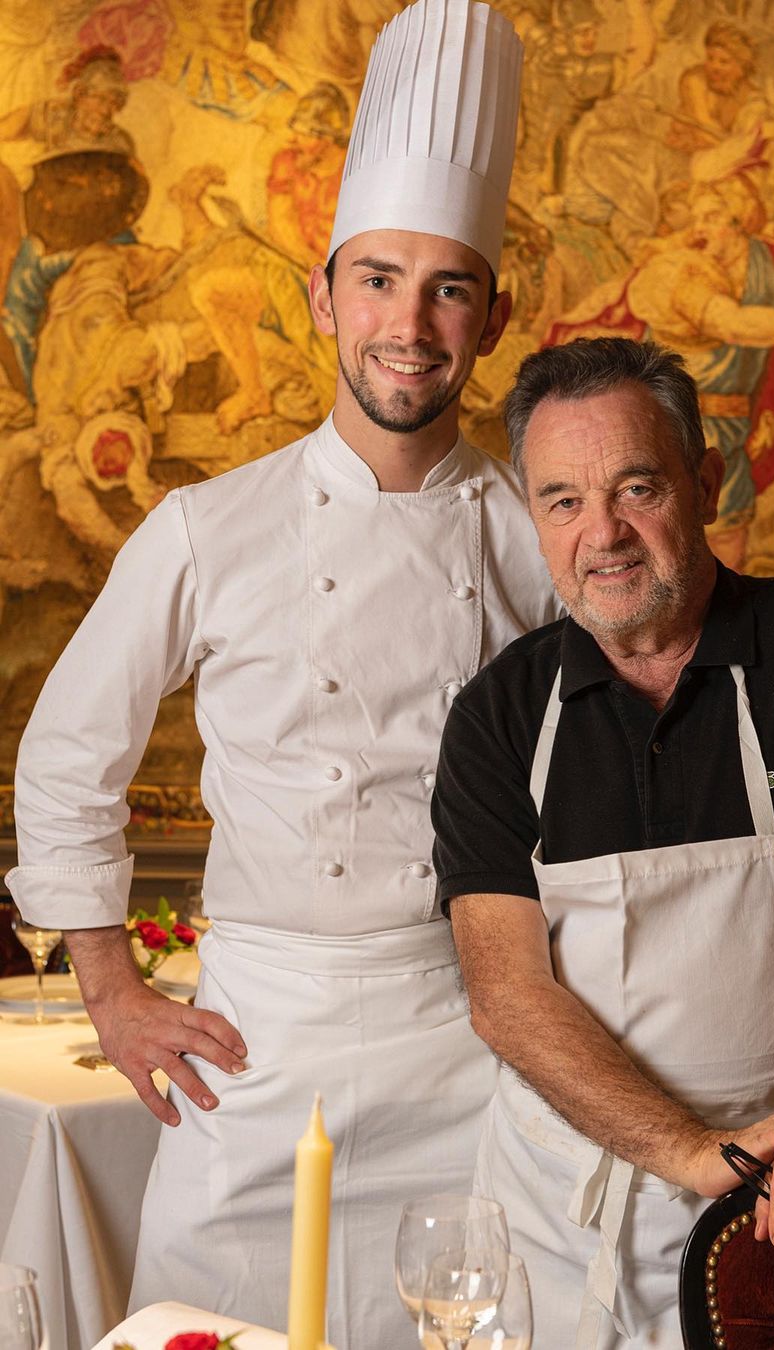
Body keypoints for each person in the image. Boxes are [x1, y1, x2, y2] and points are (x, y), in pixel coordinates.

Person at [5, 2, 557, 1346]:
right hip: (257, 1050)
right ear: (321, 296)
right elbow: (67, 758)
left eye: (448, 287)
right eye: (378, 279)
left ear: (490, 315)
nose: (408, 323)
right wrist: (114, 993)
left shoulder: (536, 533)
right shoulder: (207, 526)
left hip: (470, 1040)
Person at [432, 337, 774, 1349]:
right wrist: (692, 1152)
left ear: (707, 481)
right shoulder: (499, 714)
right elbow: (506, 992)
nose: (603, 534)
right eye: (562, 501)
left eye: (636, 488)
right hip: (558, 1223)